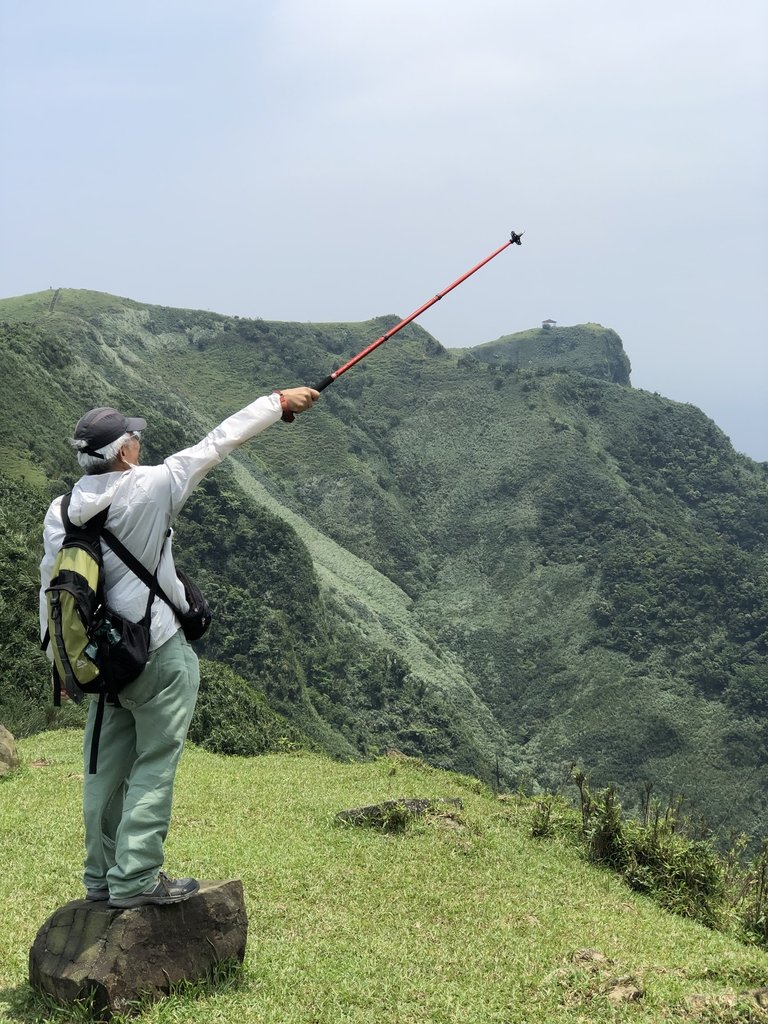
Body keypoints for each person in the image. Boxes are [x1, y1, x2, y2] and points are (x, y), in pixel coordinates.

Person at [39, 387, 318, 908]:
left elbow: (50, 590)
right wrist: (277, 403)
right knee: (154, 762)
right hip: (157, 653)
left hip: (98, 660)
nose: (140, 444)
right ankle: (136, 879)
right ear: (123, 452)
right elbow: (217, 443)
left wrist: (62, 663)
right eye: (135, 438)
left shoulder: (61, 511)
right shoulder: (154, 487)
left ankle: (100, 879)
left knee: (103, 768)